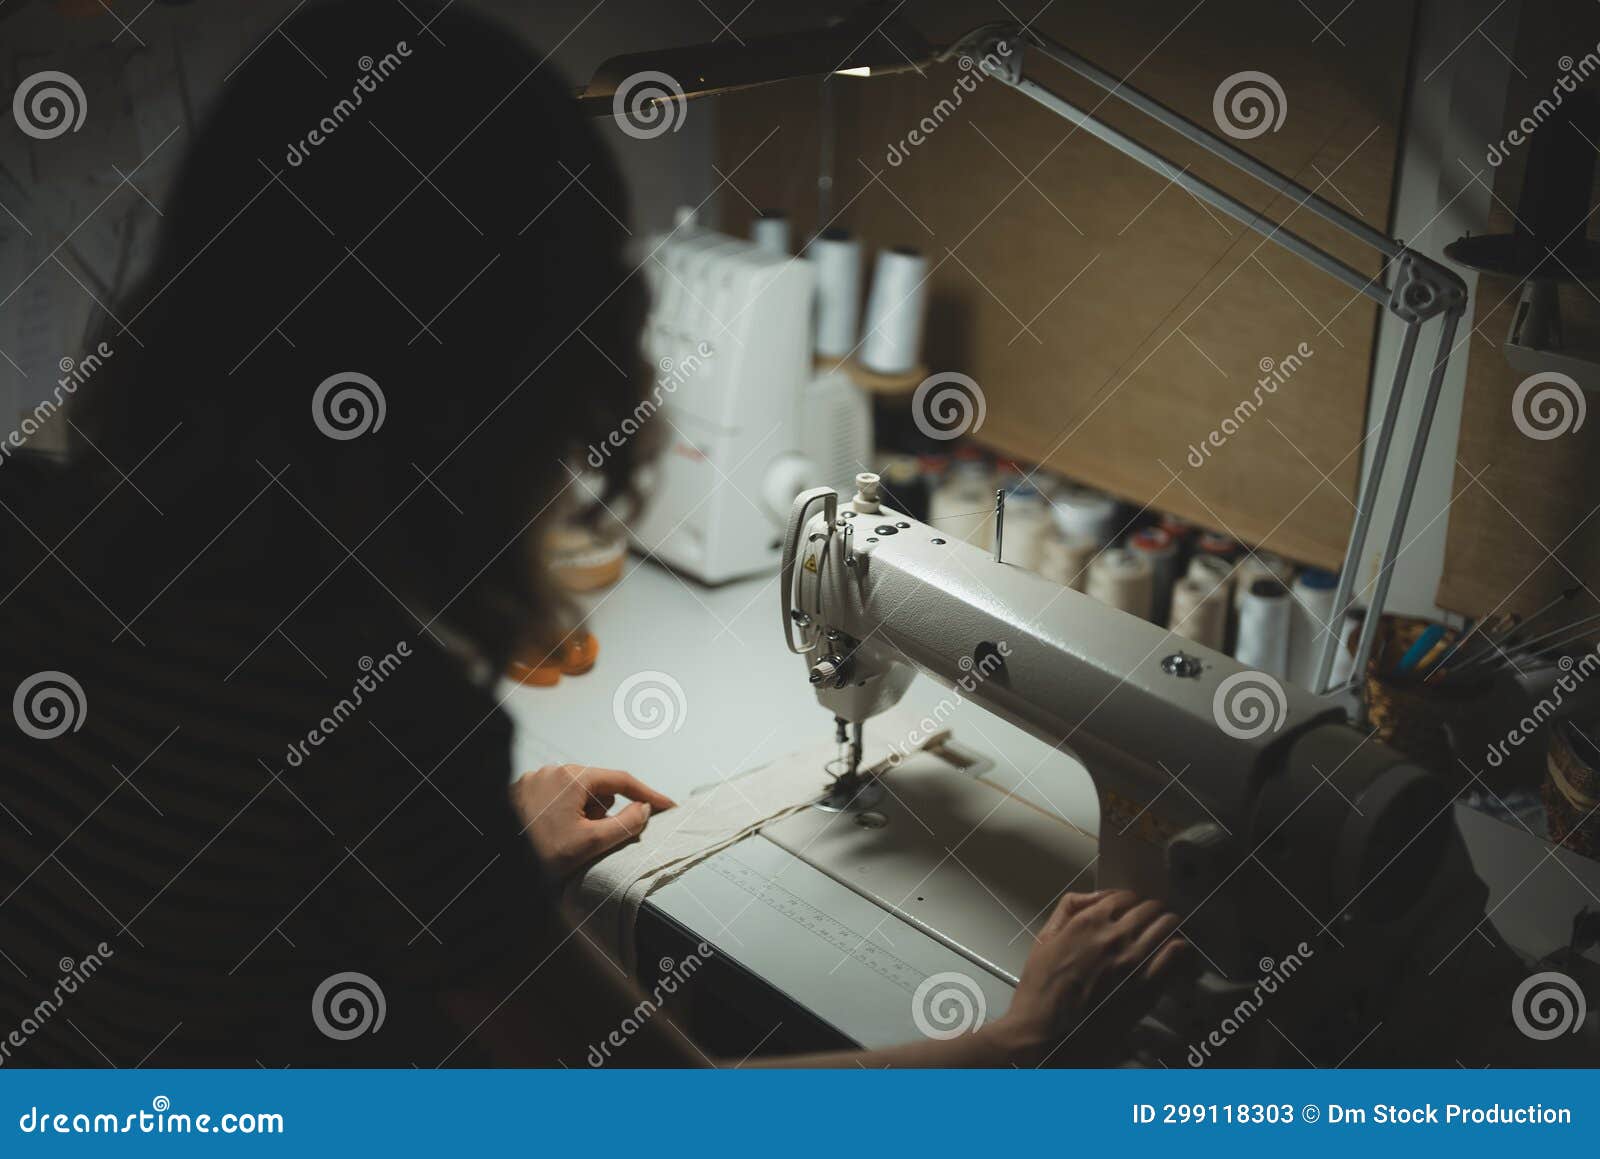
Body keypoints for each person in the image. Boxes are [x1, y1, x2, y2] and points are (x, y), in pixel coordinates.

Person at [0, 0, 1186, 1067]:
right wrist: (1029, 1035)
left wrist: (467, 862)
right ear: (509, 390)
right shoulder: (386, 729)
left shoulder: (26, 526)